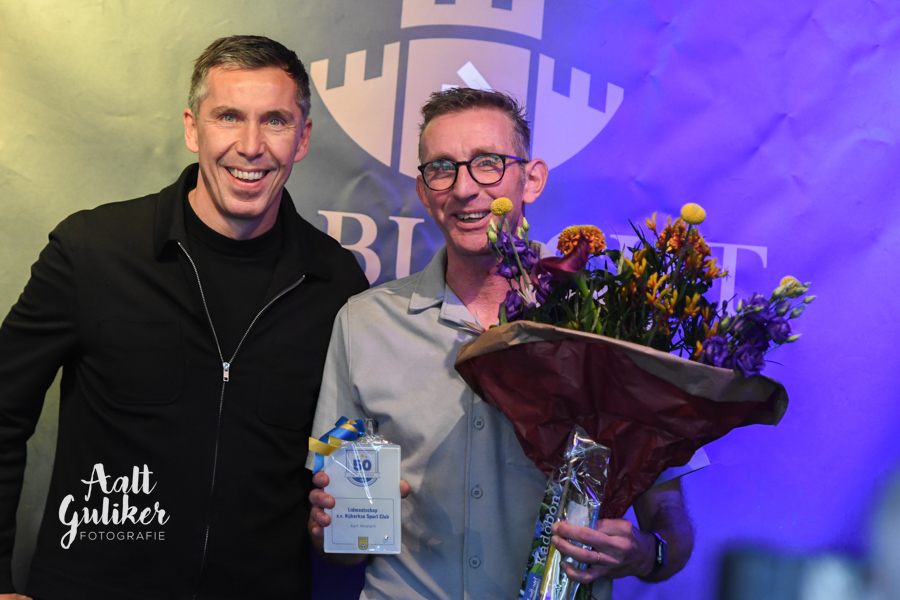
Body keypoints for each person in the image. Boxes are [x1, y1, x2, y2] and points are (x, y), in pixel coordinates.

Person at [0, 35, 368, 599]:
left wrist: (346, 515)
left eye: (274, 121)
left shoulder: (336, 282)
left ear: (302, 137)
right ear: (194, 128)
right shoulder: (92, 250)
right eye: (228, 116)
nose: (250, 146)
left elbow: (346, 457)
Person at [307, 88, 707, 599]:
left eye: (488, 163)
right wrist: (333, 526)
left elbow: (669, 518)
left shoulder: (608, 323)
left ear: (531, 179)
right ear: (424, 191)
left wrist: (646, 553)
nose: (464, 188)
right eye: (442, 168)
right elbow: (343, 544)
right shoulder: (365, 324)